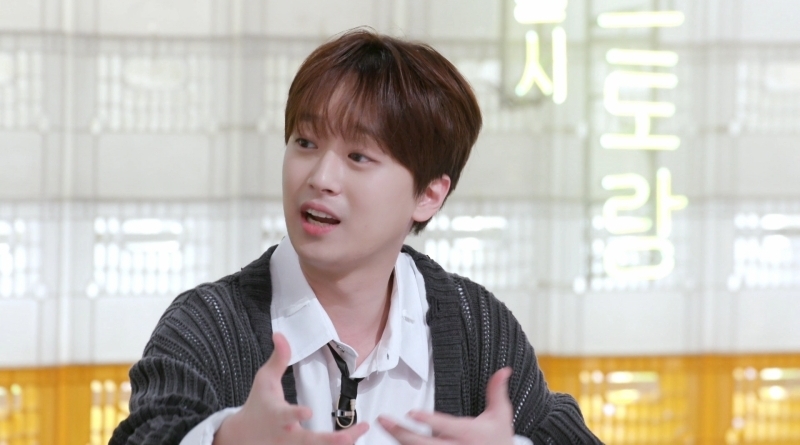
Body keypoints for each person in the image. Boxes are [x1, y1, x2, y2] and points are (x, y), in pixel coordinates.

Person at [110, 28, 601, 445]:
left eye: (358, 157)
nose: (320, 177)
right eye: (305, 142)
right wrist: (225, 439)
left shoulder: (476, 326)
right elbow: (145, 432)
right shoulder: (210, 324)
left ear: (429, 195)